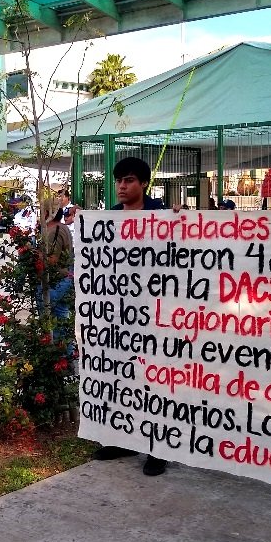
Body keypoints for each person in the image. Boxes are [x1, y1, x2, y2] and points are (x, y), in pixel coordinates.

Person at [93, 156, 168, 477]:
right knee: (121, 377)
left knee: (155, 380)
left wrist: (181, 221)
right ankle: (122, 438)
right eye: (119, 181)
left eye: (129, 181)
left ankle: (158, 447)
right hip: (117, 315)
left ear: (143, 184)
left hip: (155, 314)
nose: (122, 187)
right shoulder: (109, 218)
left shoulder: (161, 215)